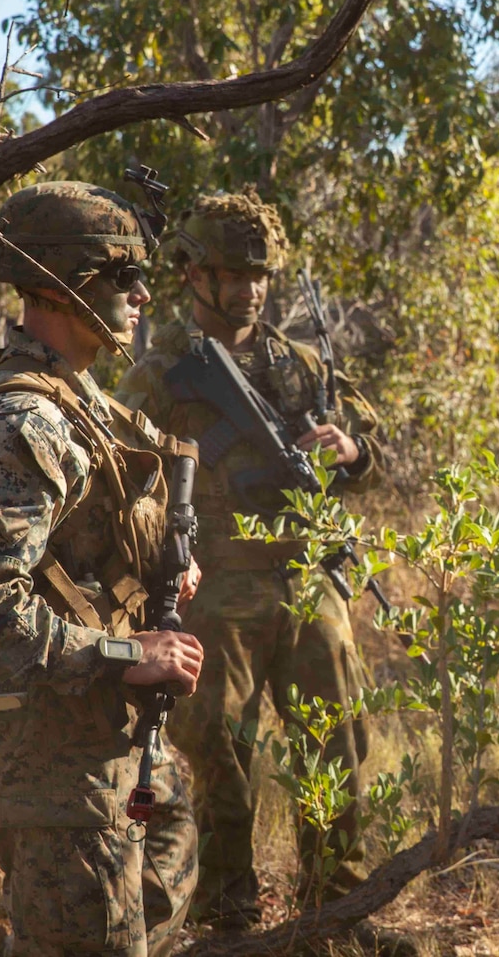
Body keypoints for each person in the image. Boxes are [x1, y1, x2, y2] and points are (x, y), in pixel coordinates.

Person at [0, 180, 204, 956]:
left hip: (113, 743)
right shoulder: (27, 419)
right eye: (122, 278)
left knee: (160, 893)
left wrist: (165, 569)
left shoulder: (82, 398)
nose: (142, 294)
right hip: (56, 766)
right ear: (60, 287)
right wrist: (128, 654)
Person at [115, 190, 384, 928]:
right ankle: (227, 916)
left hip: (305, 582)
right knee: (220, 757)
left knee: (336, 742)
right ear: (194, 274)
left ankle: (336, 912)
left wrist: (350, 450)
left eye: (261, 273)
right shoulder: (164, 371)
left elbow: (368, 440)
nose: (251, 287)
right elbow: (114, 469)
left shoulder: (297, 365)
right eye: (235, 272)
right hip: (215, 587)